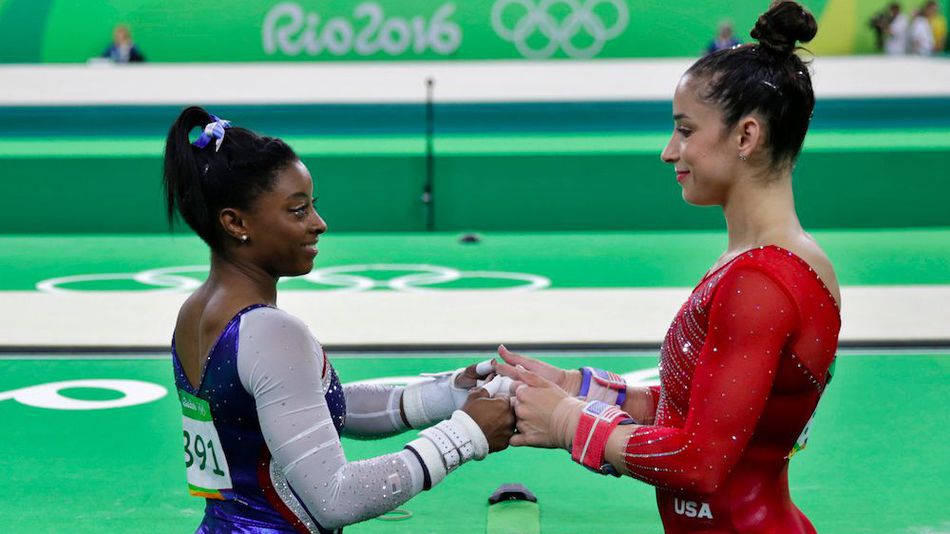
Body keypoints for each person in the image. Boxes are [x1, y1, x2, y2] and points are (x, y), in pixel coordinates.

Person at [498, 2, 841, 533]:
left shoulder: (761, 282)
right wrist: (575, 387)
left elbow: (699, 462)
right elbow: (708, 411)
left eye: (685, 130)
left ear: (746, 137)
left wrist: (569, 422)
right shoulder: (766, 262)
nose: (668, 151)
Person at [163, 106, 515, 533]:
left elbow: (301, 410)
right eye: (297, 210)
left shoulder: (194, 313)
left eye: (313, 206)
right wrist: (465, 436)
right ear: (236, 222)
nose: (319, 224)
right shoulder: (271, 332)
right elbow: (335, 498)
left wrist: (446, 395)